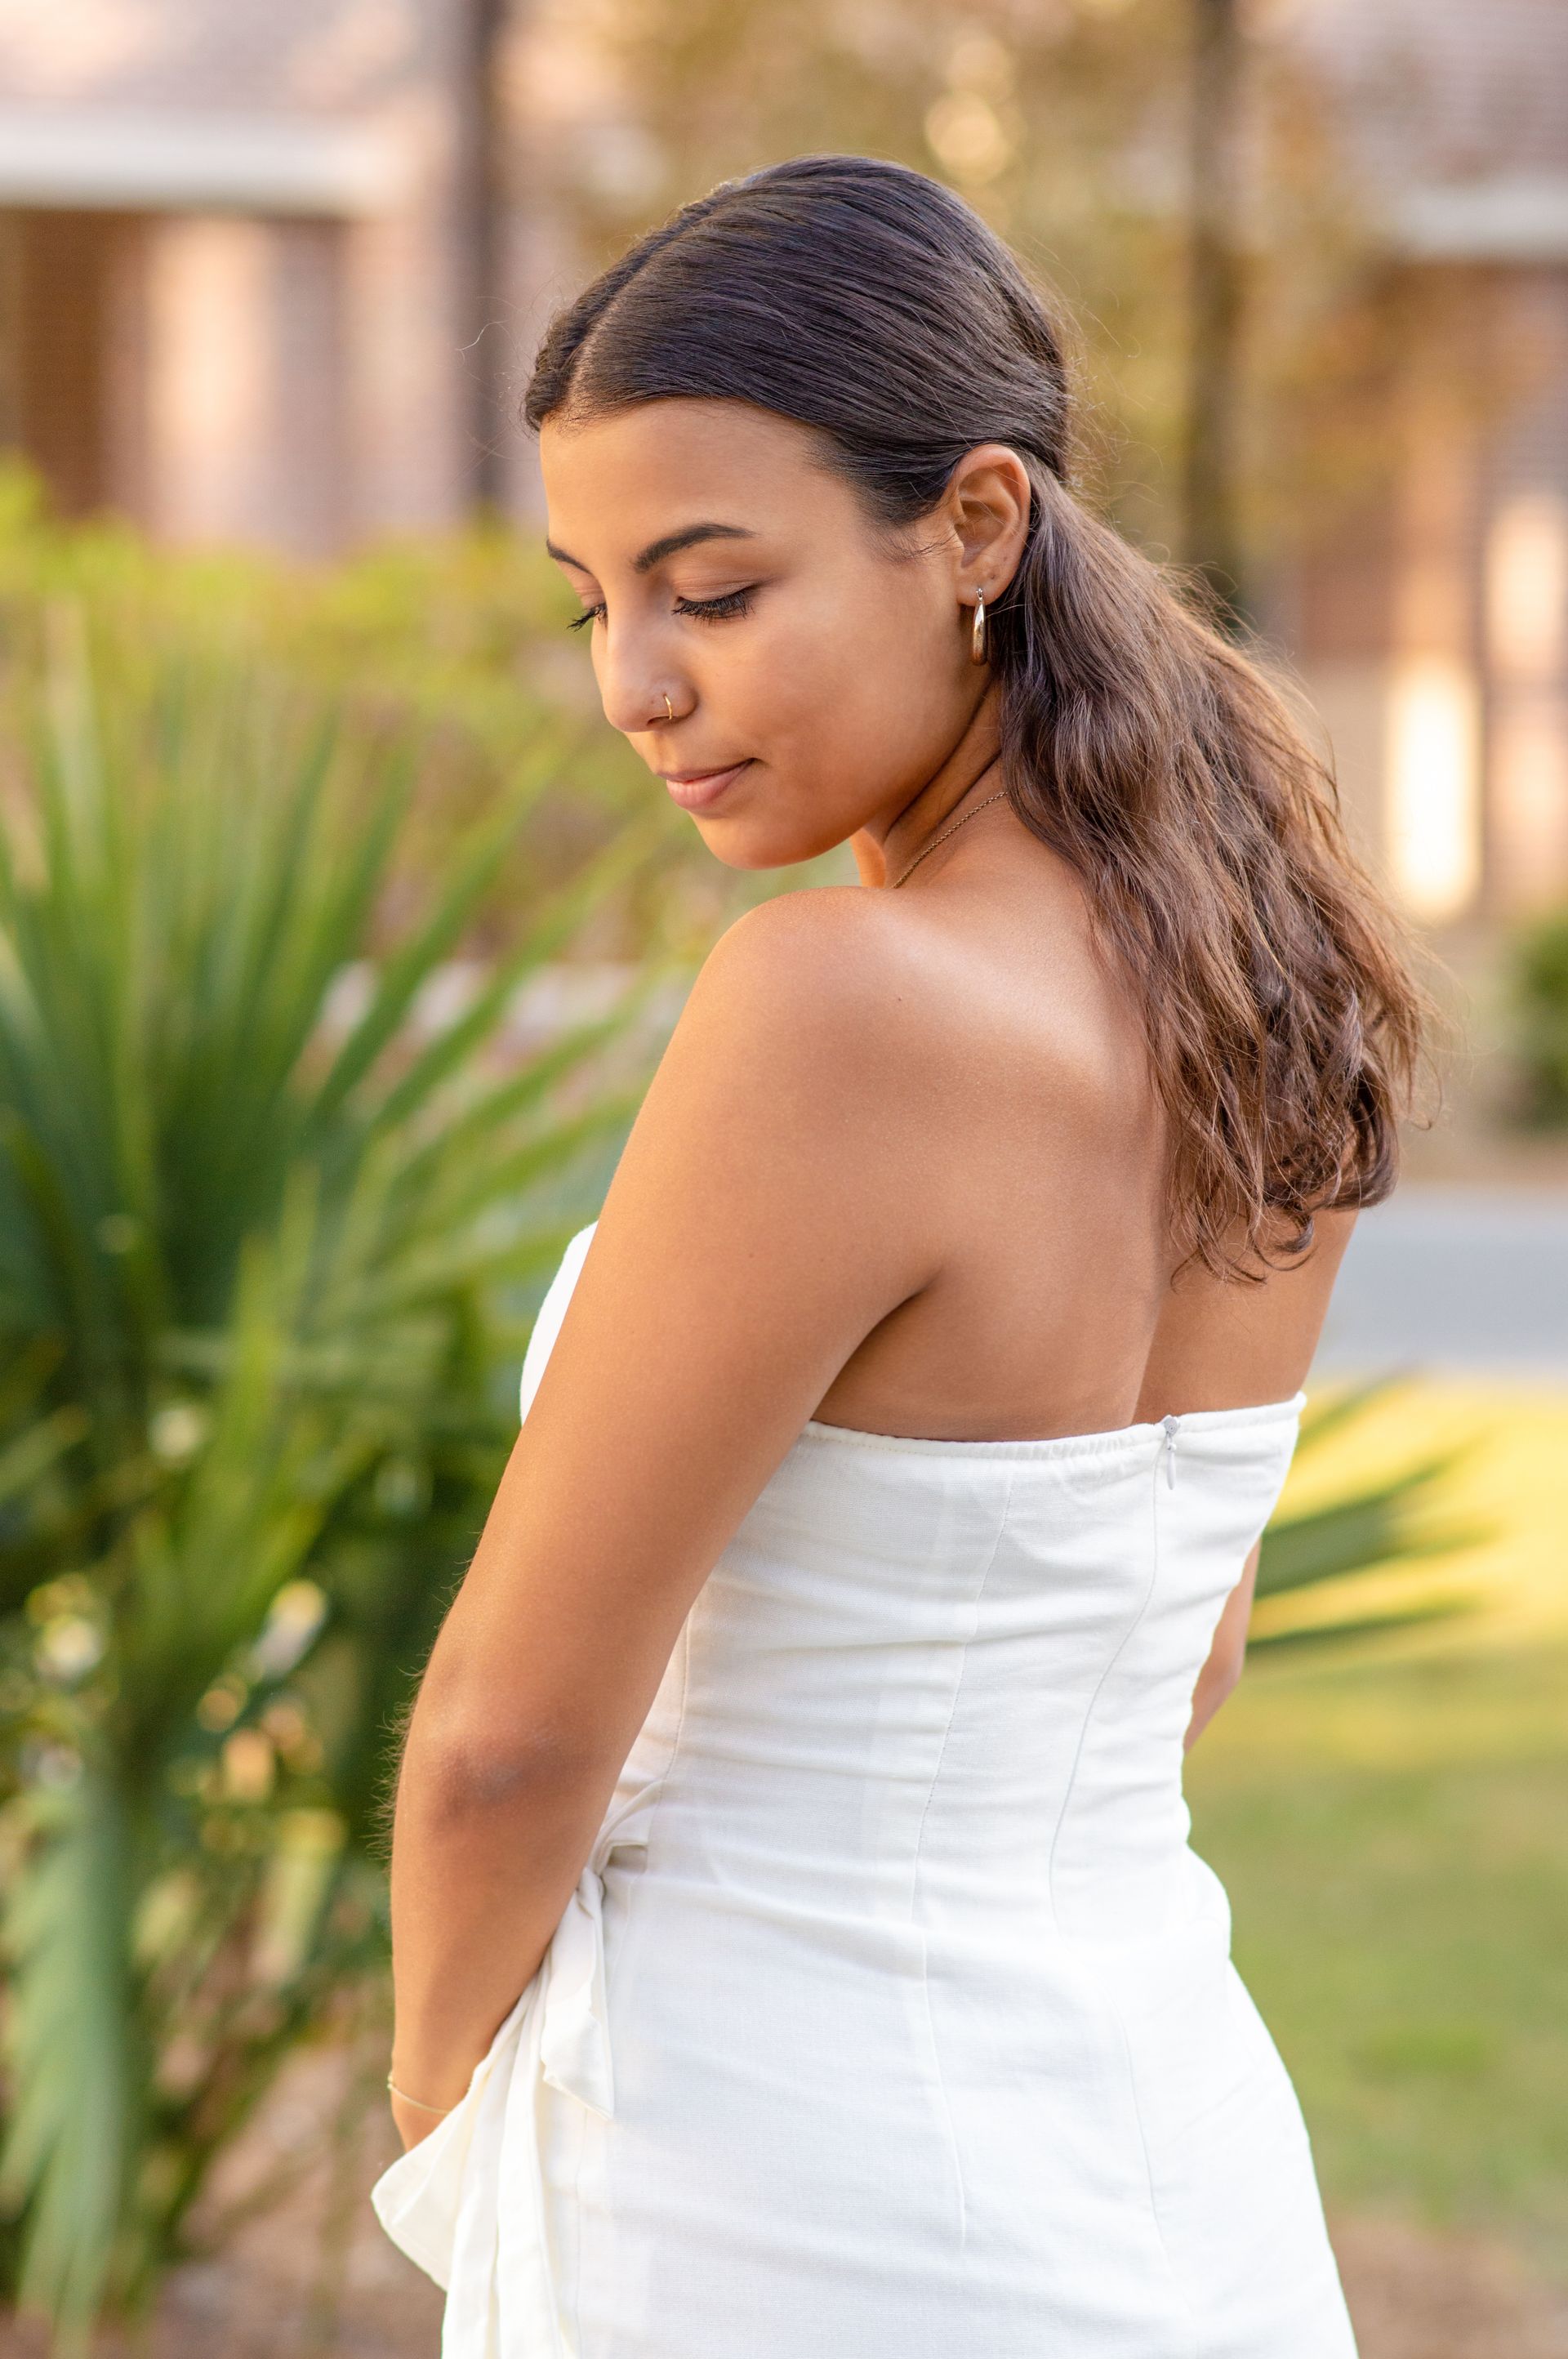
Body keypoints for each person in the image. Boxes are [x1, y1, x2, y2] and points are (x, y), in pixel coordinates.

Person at [370, 153, 1426, 2357]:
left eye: (714, 589)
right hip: (1162, 2140)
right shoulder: (1273, 976)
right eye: (591, 602)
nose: (634, 685)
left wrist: (450, 2114)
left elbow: (502, 1740)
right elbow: (1183, 1648)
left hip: (764, 2170)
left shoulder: (834, 1008)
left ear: (974, 524)